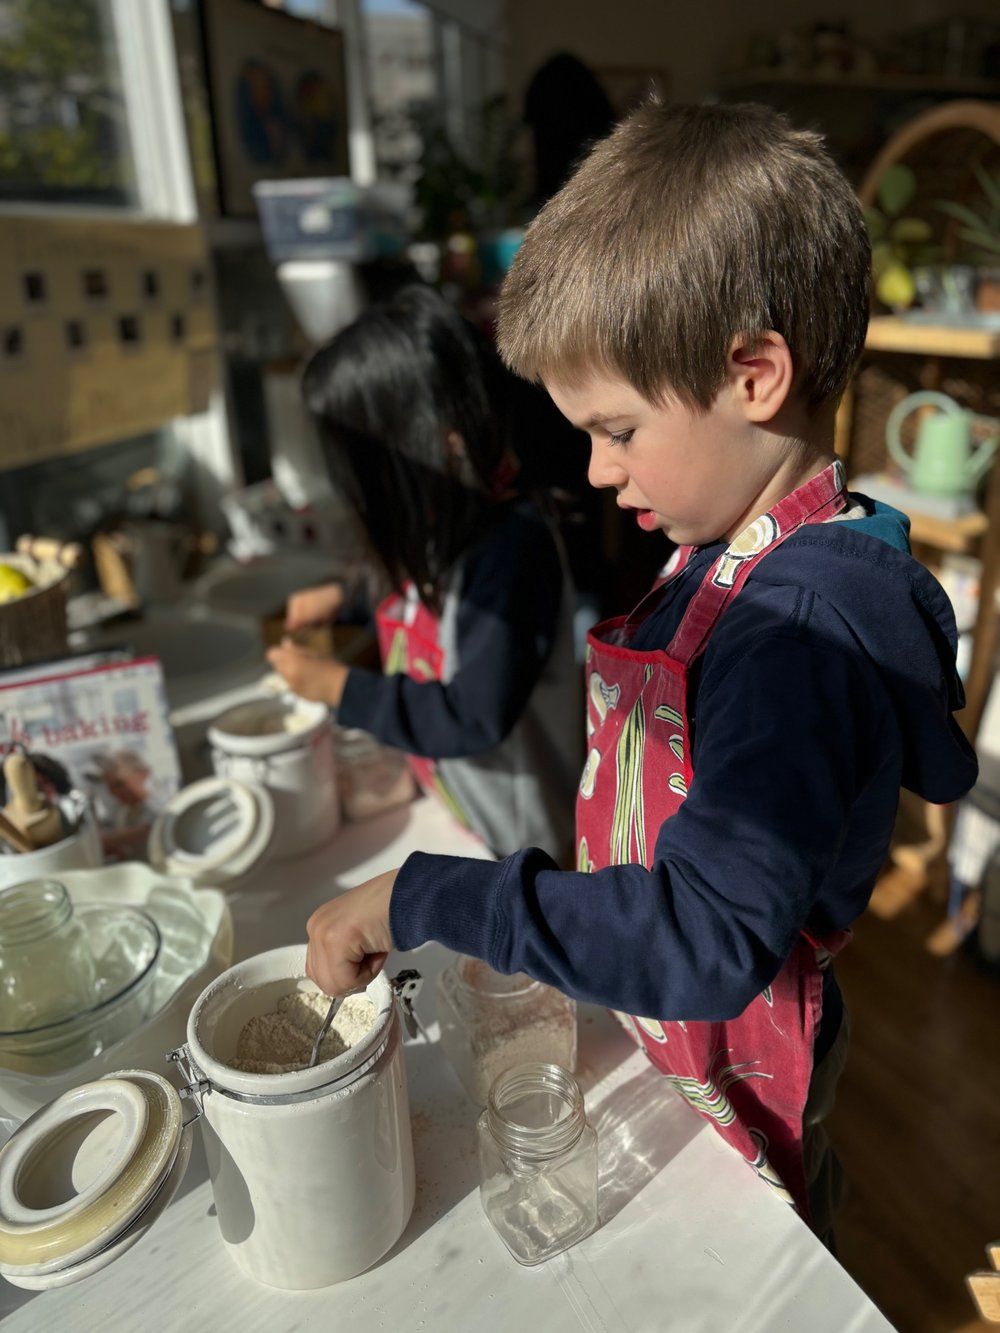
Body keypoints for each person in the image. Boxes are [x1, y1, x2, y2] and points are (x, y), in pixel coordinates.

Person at [297, 102, 978, 1243]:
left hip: (747, 1030)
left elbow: (705, 937)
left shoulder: (796, 639)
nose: (599, 471)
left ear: (754, 373)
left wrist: (426, 895)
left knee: (776, 1247)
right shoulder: (729, 542)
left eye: (616, 429)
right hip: (683, 1021)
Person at [267, 285, 580, 862]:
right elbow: (409, 590)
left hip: (517, 850)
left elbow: (472, 715)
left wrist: (338, 688)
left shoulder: (512, 552)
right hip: (453, 816)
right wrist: (344, 596)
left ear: (429, 445)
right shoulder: (437, 521)